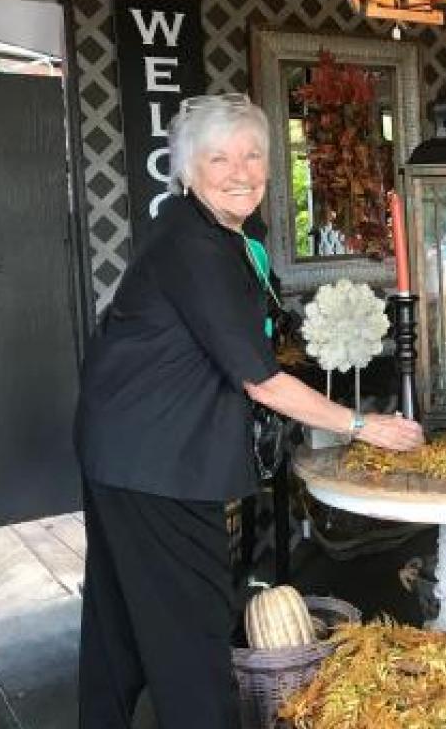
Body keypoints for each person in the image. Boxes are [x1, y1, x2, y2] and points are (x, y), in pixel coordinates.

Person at [74, 93, 424, 729]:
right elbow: (260, 381)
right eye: (219, 158)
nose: (240, 171)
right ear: (186, 170)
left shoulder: (219, 238)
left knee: (118, 618)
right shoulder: (196, 247)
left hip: (126, 451)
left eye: (253, 155)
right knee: (192, 630)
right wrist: (362, 424)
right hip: (158, 463)